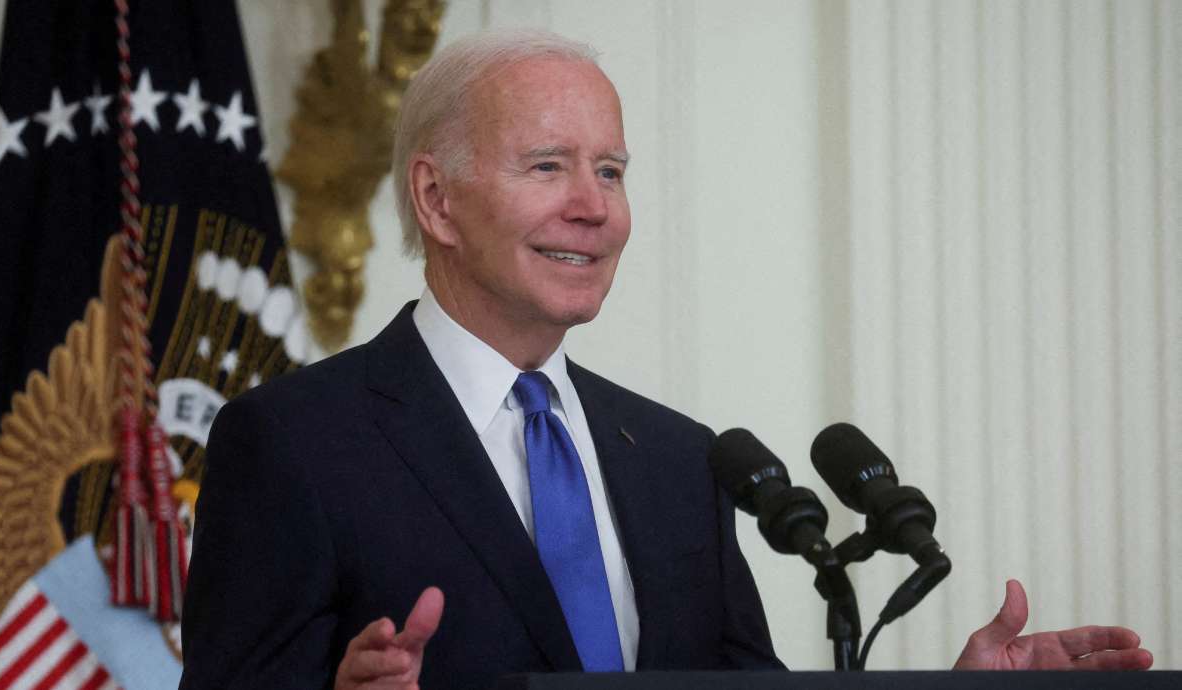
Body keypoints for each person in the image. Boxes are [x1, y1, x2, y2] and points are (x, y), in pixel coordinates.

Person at [179, 29, 1153, 690]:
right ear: (436, 202)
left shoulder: (681, 460)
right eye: (548, 166)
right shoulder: (296, 445)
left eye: (610, 171)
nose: (594, 206)